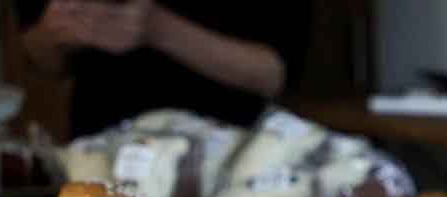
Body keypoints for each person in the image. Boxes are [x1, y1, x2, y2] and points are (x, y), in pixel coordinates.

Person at [16, 0, 313, 136]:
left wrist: (156, 28)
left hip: (231, 160)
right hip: (101, 156)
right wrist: (55, 33)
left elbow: (273, 75)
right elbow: (39, 57)